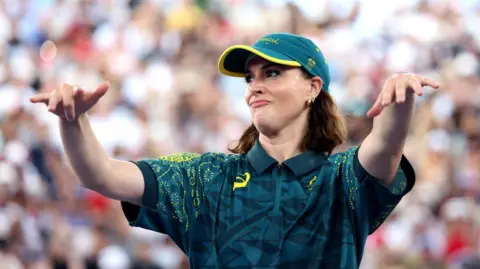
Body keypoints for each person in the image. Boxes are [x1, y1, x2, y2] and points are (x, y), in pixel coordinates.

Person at [30, 32, 440, 268]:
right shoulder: (205, 177)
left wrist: (400, 104)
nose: (255, 86)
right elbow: (100, 174)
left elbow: (383, 150)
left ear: (313, 88)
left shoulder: (340, 179)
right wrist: (72, 120)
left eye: (273, 73)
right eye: (250, 78)